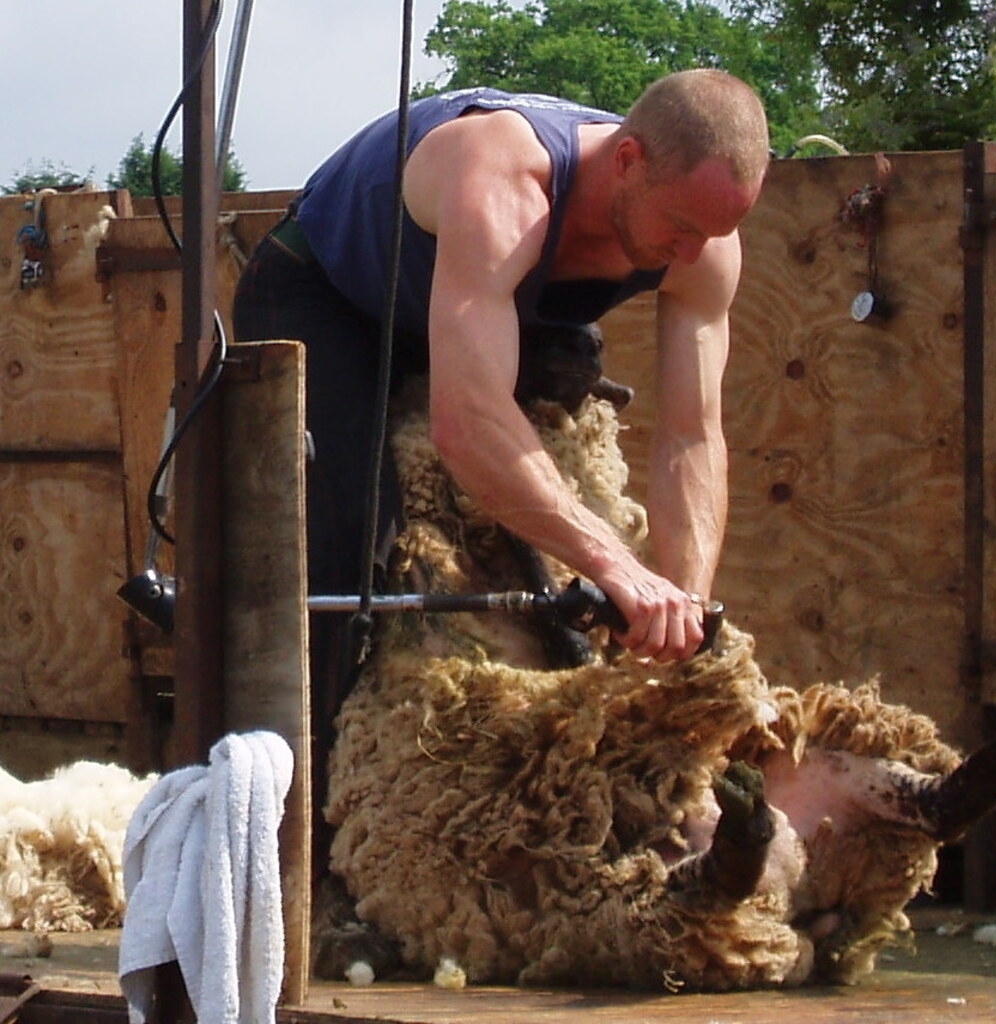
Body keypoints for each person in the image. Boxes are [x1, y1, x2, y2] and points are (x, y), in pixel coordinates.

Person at [233, 68, 769, 875]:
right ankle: (298, 853)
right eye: (683, 227)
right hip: (331, 294)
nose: (693, 254)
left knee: (573, 540)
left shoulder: (703, 239)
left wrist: (677, 611)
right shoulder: (503, 176)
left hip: (490, 307)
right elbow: (469, 422)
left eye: (715, 234)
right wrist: (618, 565)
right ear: (627, 160)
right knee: (345, 544)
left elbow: (692, 437)